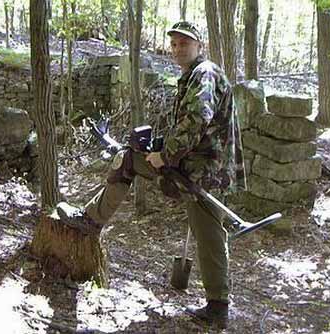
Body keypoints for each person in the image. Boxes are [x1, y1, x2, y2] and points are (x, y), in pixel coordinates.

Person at [57, 21, 246, 329]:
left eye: (184, 43)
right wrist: (159, 147)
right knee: (128, 159)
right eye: (173, 43)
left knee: (208, 232)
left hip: (205, 170)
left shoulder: (205, 73)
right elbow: (188, 124)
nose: (177, 48)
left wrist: (165, 155)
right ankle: (91, 220)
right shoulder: (191, 76)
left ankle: (218, 306)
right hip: (191, 165)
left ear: (199, 45)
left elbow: (198, 118)